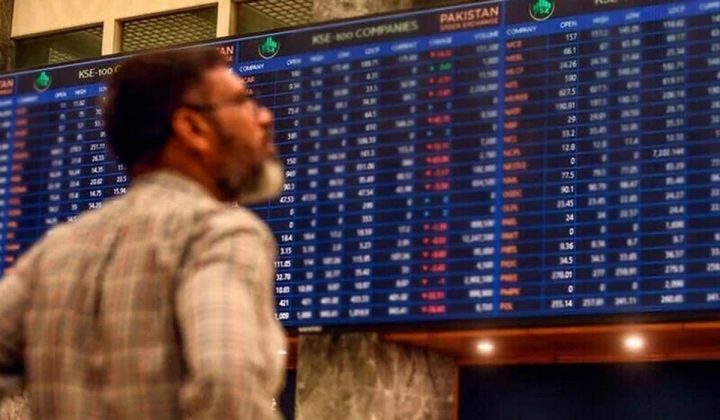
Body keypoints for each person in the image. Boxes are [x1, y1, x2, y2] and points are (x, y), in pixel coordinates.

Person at [0, 47, 287, 419]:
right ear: (192, 128)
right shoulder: (218, 235)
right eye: (243, 101)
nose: (264, 117)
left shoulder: (57, 251)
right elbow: (226, 382)